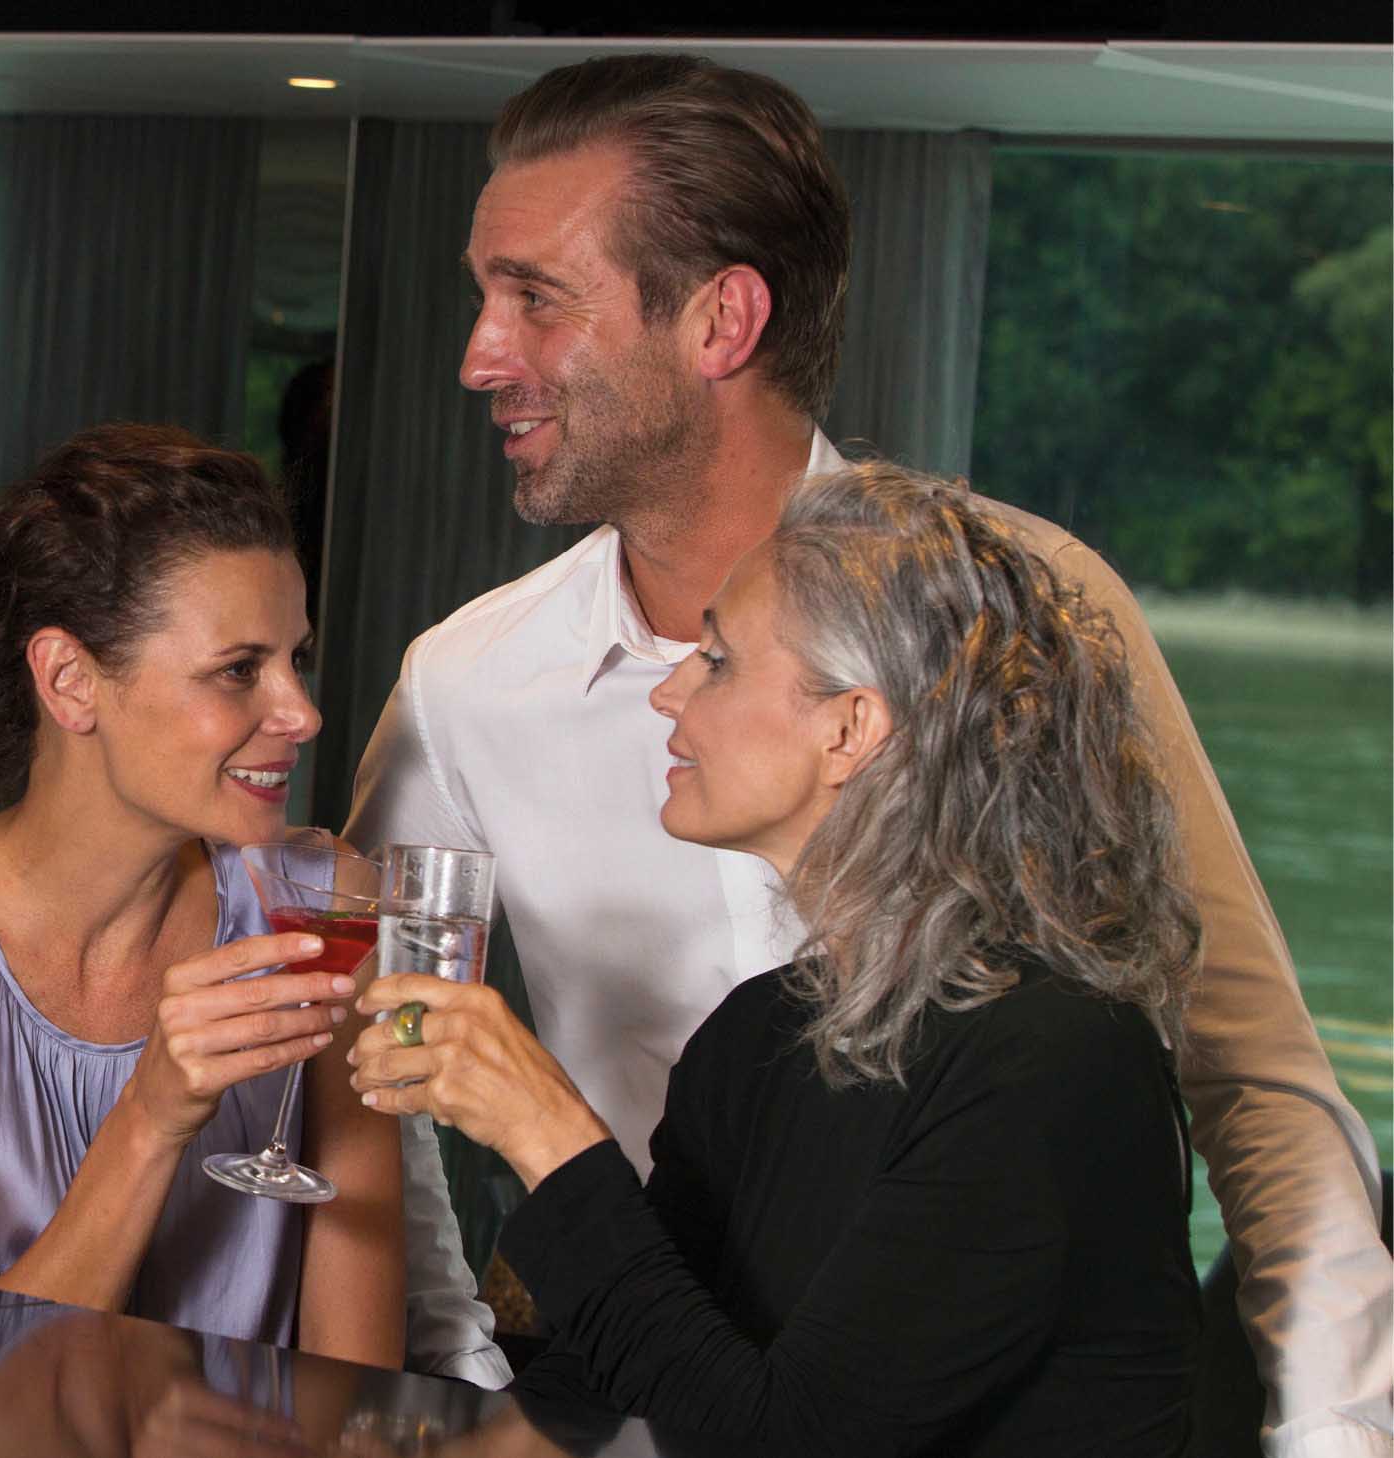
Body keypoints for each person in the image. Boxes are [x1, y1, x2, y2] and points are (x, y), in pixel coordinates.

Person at [343, 54, 1390, 1449]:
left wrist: (1336, 1441)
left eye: (534, 294)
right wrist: (457, 1375)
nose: (480, 351)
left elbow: (1250, 1072)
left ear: (722, 317)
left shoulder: (1035, 610)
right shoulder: (466, 679)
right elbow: (375, 1029)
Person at [350, 463, 1203, 1452]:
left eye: (715, 659)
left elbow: (781, 1441)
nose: (668, 692)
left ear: (848, 730)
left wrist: (544, 1131)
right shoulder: (759, 1031)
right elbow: (613, 1391)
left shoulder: (1052, 1061)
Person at [0, 424, 432, 1369]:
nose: (301, 713)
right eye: (239, 670)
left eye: (295, 658)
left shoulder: (325, 908)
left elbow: (354, 1379)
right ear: (70, 681)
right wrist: (151, 1118)